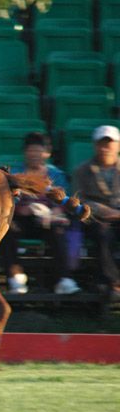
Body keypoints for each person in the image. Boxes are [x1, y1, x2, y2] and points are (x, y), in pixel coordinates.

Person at [0, 132, 79, 295]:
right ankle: (15, 279)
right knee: (7, 230)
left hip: (47, 220)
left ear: (47, 153)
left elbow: (64, 200)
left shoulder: (57, 175)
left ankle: (64, 279)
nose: (35, 154)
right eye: (31, 150)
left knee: (58, 230)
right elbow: (7, 200)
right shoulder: (15, 174)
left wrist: (53, 212)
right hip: (21, 219)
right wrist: (23, 209)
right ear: (25, 152)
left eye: (39, 151)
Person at [72, 125, 120, 300]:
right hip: (95, 218)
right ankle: (114, 283)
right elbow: (79, 200)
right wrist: (103, 210)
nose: (106, 147)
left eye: (110, 143)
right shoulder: (82, 170)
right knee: (102, 233)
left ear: (118, 146)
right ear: (95, 145)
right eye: (102, 143)